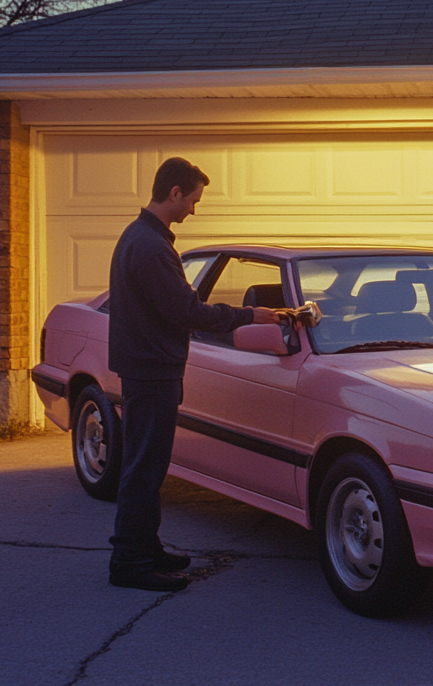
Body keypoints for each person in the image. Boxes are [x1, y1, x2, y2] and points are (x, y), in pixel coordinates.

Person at [106, 157, 286, 592]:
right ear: (174, 194)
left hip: (147, 368)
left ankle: (145, 548)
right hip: (151, 372)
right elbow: (187, 311)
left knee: (145, 465)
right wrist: (252, 314)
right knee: (145, 469)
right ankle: (130, 563)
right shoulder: (149, 247)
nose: (193, 209)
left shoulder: (142, 238)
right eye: (193, 200)